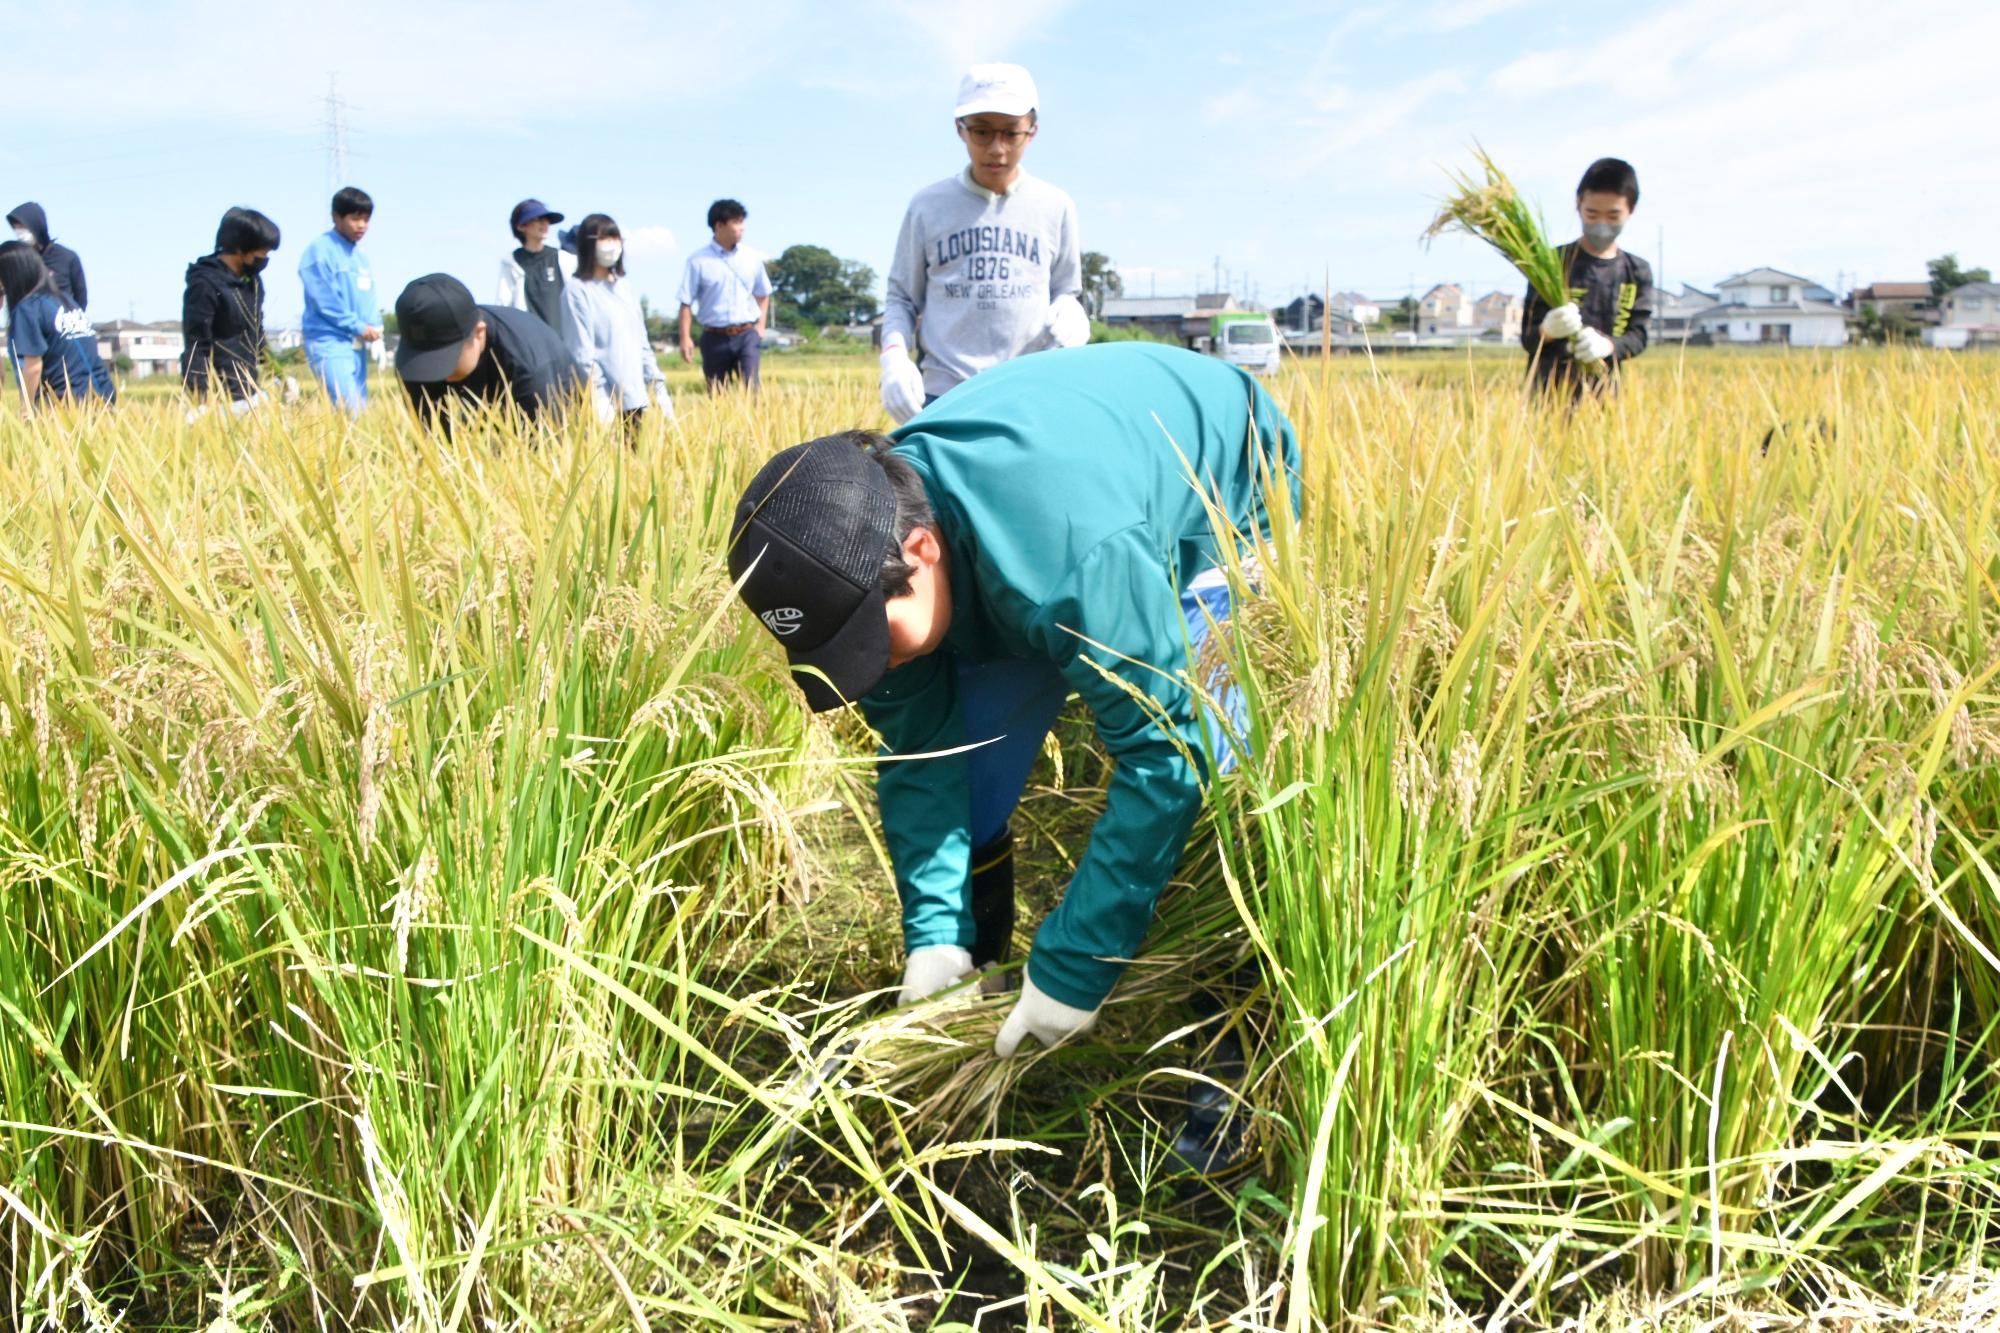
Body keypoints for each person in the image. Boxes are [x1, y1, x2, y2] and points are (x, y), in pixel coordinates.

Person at [726, 342, 1297, 1070]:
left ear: (923, 550)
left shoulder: (1073, 560)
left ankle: (1228, 1052)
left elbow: (1166, 755)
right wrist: (934, 934)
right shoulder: (859, 541)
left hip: (1221, 475)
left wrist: (1076, 963)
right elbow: (921, 752)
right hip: (1060, 491)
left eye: (870, 638)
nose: (874, 661)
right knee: (971, 778)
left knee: (1218, 779)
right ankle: (978, 985)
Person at [879, 63, 1087, 424]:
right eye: (982, 132)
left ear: (1032, 131)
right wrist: (894, 356)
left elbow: (1067, 291)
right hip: (945, 394)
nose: (997, 149)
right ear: (960, 130)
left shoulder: (1056, 206)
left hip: (1030, 389)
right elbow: (901, 298)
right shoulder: (928, 206)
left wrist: (1072, 309)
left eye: (1011, 134)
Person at [1521, 158, 1654, 395]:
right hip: (1547, 396)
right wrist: (1548, 330)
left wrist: (1610, 345)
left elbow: (1638, 336)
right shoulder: (1551, 263)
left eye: (1613, 216)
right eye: (1592, 214)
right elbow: (1528, 338)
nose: (1602, 224)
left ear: (1630, 211)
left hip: (1607, 397)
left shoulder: (1636, 271)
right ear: (1578, 204)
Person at [393, 272, 583, 430]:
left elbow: (545, 445)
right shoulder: (411, 364)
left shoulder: (527, 362)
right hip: (487, 400)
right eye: (425, 363)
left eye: (445, 360)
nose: (437, 373)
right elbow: (430, 436)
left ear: (479, 332)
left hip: (560, 398)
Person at [560, 213, 671, 427]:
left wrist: (658, 387)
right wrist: (600, 396)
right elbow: (582, 352)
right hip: (604, 403)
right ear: (587, 244)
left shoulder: (624, 287)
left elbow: (642, 344)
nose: (611, 245)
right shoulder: (577, 291)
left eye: (615, 238)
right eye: (603, 238)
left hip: (637, 398)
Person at [181, 206, 281, 408]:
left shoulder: (252, 282)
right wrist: (200, 400)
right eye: (262, 251)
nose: (265, 257)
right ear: (239, 248)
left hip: (250, 390)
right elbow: (196, 346)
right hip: (219, 398)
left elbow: (257, 335)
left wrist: (278, 374)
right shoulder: (204, 284)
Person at [1, 240, 115, 412]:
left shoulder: (27, 309)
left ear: (11, 275)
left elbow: (33, 368)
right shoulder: (65, 301)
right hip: (104, 397)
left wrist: (25, 411)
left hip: (67, 406)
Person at [299, 186, 383, 414]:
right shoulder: (320, 252)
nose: (362, 226)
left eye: (366, 219)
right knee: (350, 409)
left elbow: (367, 298)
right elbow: (325, 301)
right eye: (355, 219)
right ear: (336, 217)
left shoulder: (360, 257)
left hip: (357, 344)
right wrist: (358, 326)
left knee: (362, 411)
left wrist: (376, 326)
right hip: (330, 343)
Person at [675, 199, 772, 391]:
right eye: (736, 222)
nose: (741, 228)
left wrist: (760, 326)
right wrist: (685, 338)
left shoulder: (752, 258)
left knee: (753, 389)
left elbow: (763, 293)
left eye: (742, 222)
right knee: (717, 393)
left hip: (746, 334)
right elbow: (686, 302)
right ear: (719, 226)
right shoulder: (698, 261)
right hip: (714, 337)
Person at [496, 198, 573, 332]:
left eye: (546, 220)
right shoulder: (511, 262)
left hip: (560, 343)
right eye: (538, 219)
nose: (544, 224)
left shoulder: (563, 259)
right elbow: (503, 305)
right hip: (527, 341)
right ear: (521, 226)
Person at [6, 202, 88, 308]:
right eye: (16, 228)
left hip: (61, 320)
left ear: (34, 225)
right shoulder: (19, 260)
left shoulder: (67, 258)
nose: (19, 233)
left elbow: (81, 299)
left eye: (22, 227)